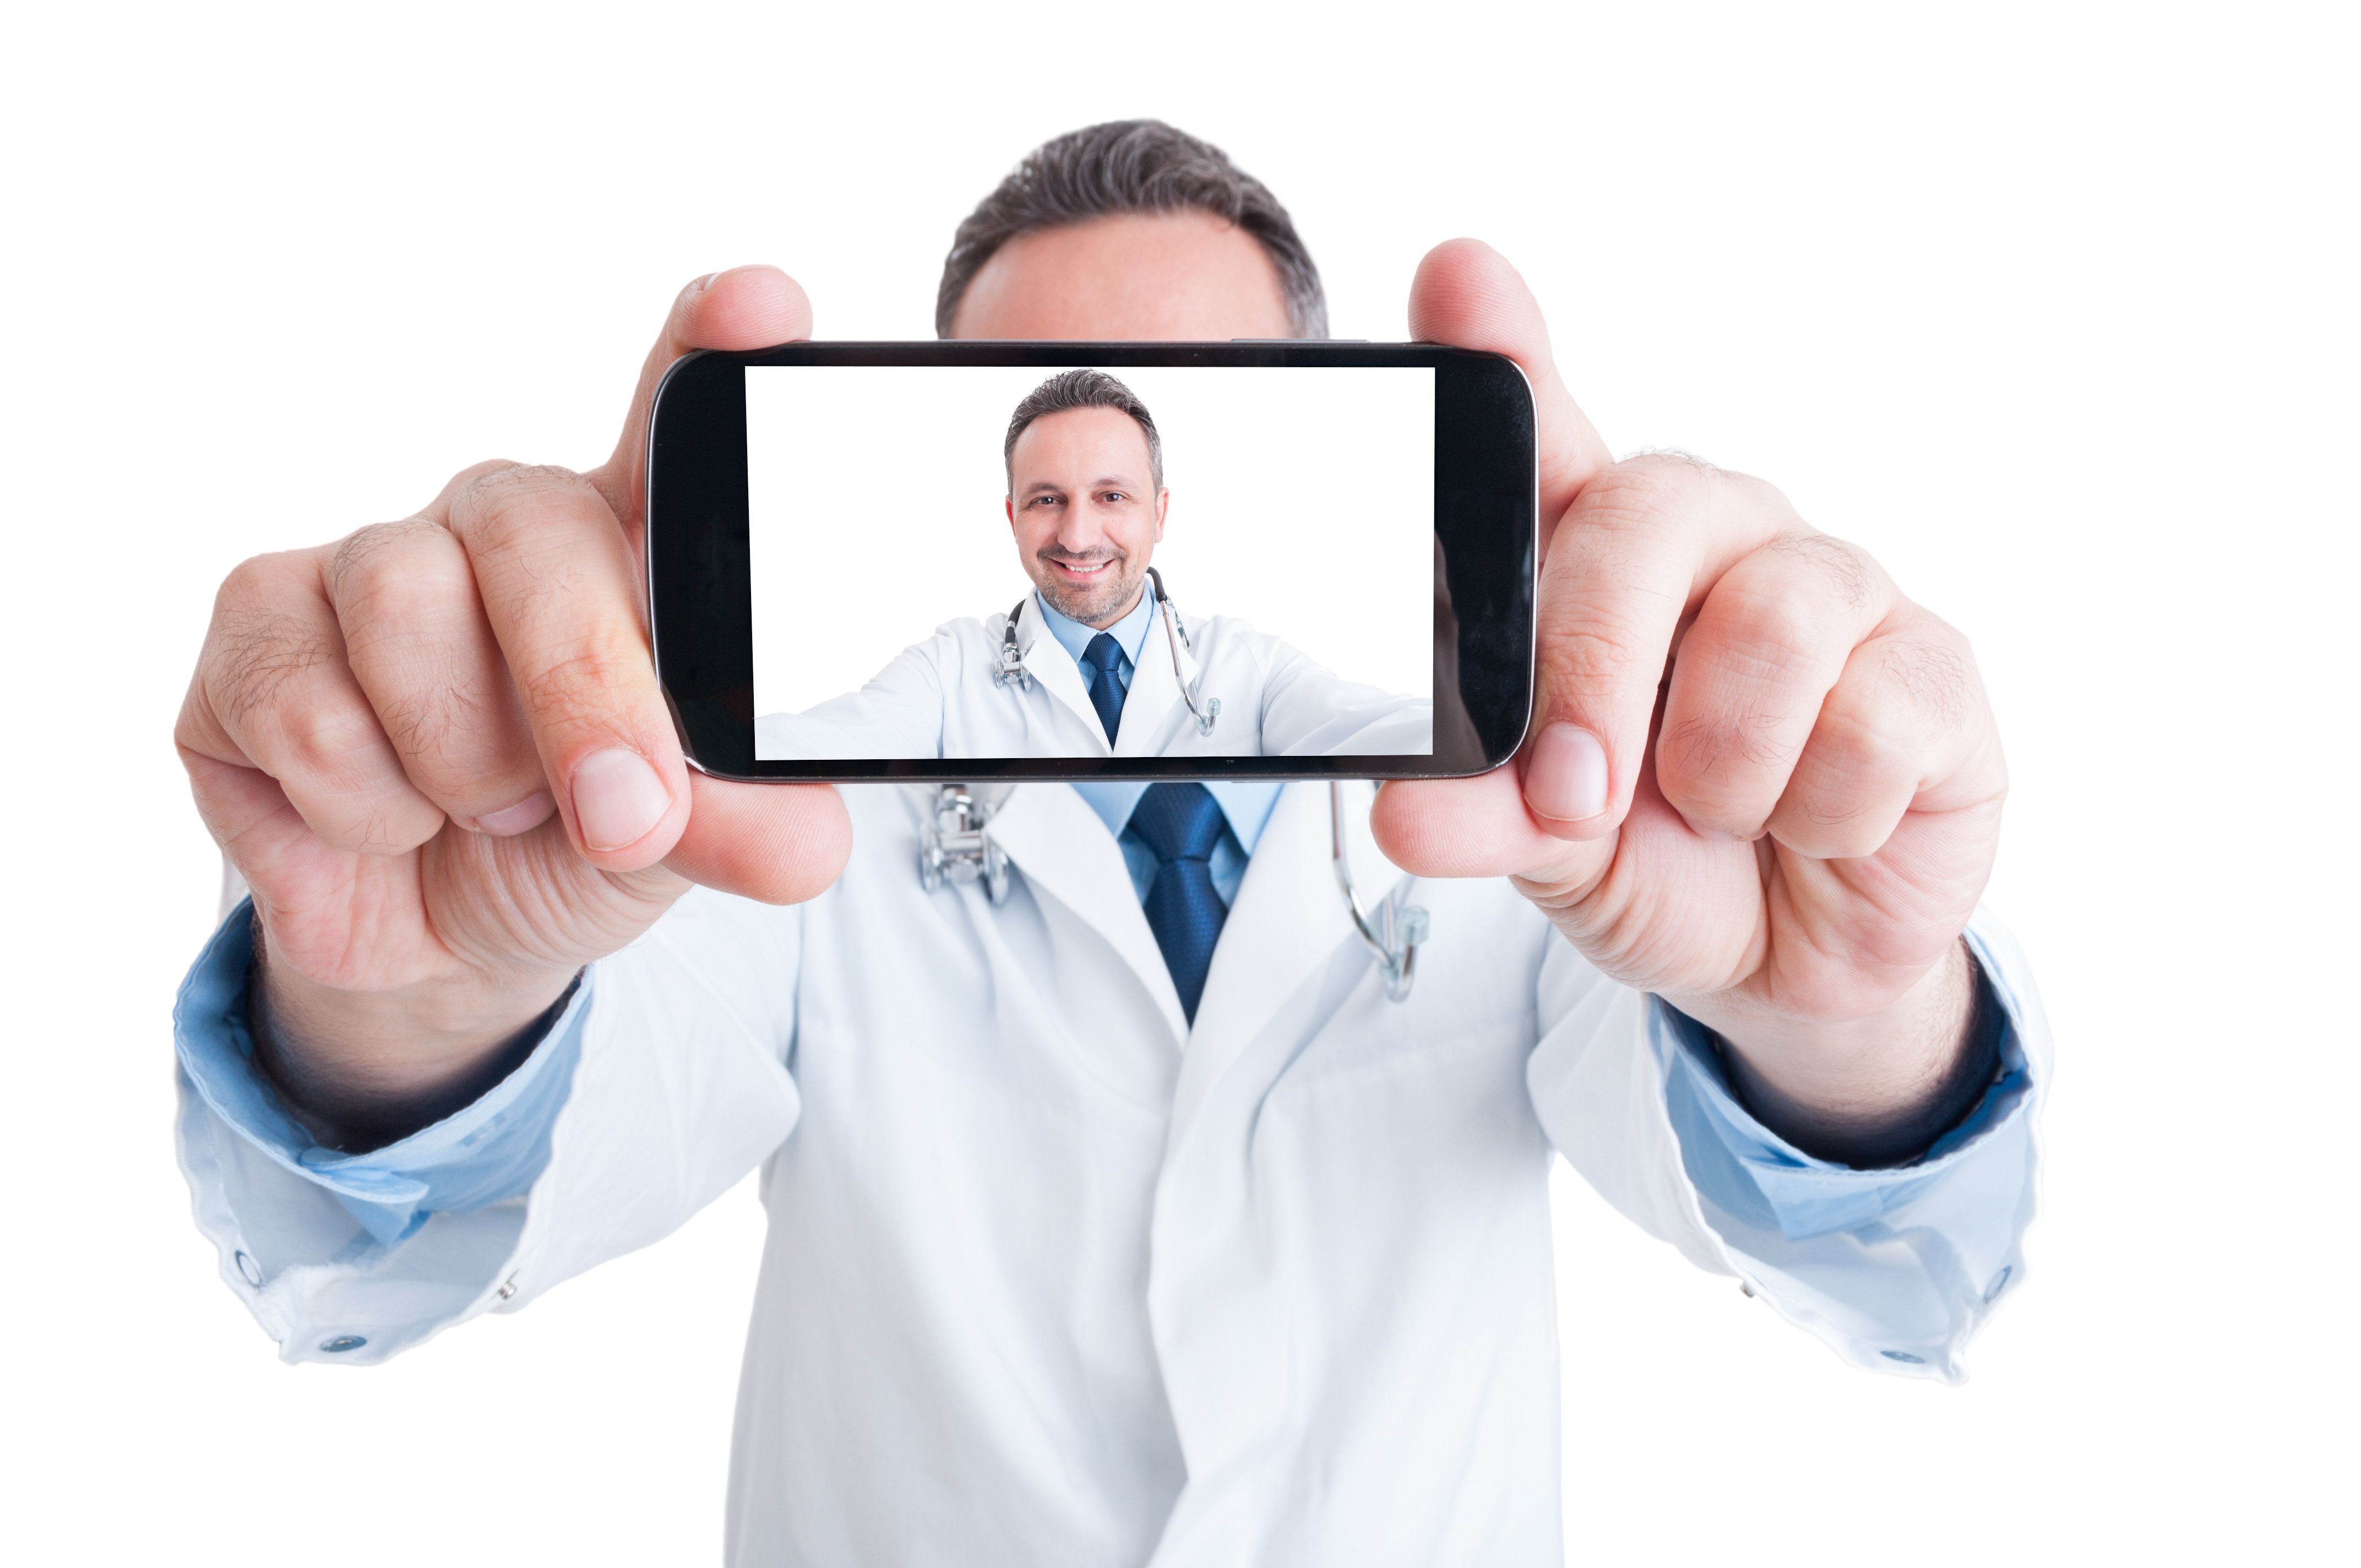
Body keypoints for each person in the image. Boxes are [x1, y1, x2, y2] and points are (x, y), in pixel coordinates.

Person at [172, 121, 2044, 1566]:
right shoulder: (813, 777)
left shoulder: (1493, 788)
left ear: (1188, 489)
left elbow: (1867, 1246)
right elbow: (480, 1177)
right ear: (997, 499)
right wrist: (405, 1011)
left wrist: (1849, 1018)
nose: (1082, 530)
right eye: (1044, 485)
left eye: (1125, 478)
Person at [757, 367, 1433, 761]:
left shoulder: (1247, 667)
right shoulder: (949, 672)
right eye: (1047, 500)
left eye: (1111, 496)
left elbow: (1380, 727)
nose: (1078, 537)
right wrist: (707, 748)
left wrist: (1484, 720)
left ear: (1159, 514)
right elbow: (820, 743)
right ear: (1012, 517)